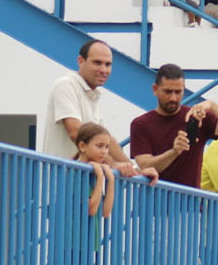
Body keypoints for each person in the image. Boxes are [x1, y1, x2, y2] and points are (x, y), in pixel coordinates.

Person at [41, 41, 155, 180]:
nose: (103, 69)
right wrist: (114, 164)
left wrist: (134, 170)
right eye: (97, 63)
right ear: (80, 61)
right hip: (59, 188)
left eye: (108, 64)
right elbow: (76, 133)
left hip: (80, 188)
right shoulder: (66, 85)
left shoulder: (92, 96)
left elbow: (108, 142)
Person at [129, 64, 218, 188]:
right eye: (167, 91)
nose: (173, 97)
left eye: (178, 92)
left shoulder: (196, 116)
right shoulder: (141, 124)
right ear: (155, 89)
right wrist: (174, 152)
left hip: (190, 204)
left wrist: (211, 105)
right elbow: (145, 165)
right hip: (154, 203)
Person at [73, 122, 117, 265]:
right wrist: (100, 179)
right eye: (99, 146)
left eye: (107, 147)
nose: (104, 151)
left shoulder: (93, 172)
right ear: (82, 146)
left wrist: (111, 181)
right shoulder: (77, 171)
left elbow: (105, 212)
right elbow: (91, 209)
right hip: (74, 245)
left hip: (86, 244)